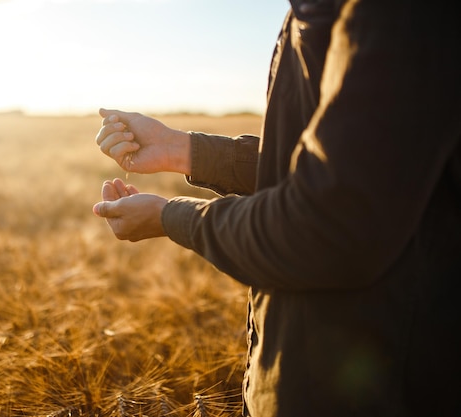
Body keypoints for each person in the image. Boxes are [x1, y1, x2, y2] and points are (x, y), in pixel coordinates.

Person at [92, 0, 461, 416]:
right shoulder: (315, 10)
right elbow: (330, 166)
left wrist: (168, 215)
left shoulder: (401, 15)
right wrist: (182, 149)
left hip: (371, 391)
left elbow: (326, 222)